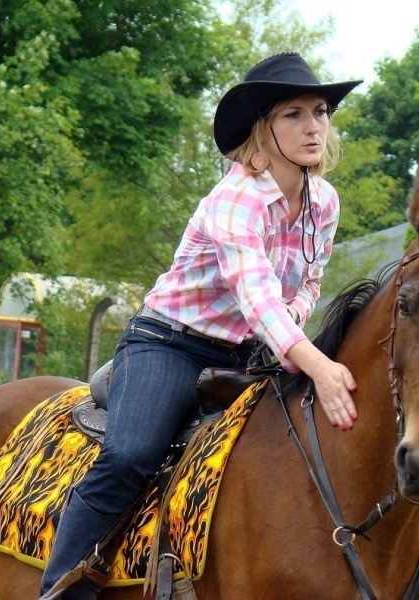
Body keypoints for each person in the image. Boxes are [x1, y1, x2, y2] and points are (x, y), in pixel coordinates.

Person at [40, 52, 363, 599]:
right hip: (171, 342)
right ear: (262, 129)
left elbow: (308, 282)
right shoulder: (235, 199)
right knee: (133, 454)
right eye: (293, 114)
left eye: (321, 111)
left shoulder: (323, 202)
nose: (313, 126)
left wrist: (294, 324)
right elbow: (256, 296)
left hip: (253, 353)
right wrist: (319, 365)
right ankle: (59, 588)